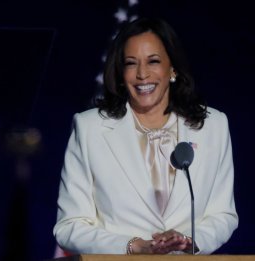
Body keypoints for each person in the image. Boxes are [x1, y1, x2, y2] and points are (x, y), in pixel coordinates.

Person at [53, 17, 238, 255]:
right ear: (121, 73)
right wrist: (132, 246)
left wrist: (190, 240)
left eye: (153, 61)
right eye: (131, 63)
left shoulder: (213, 127)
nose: (142, 74)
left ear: (172, 68)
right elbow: (69, 227)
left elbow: (223, 214)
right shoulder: (89, 128)